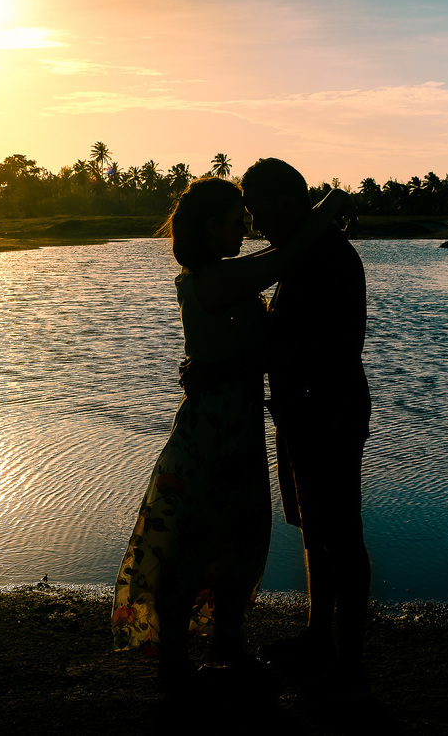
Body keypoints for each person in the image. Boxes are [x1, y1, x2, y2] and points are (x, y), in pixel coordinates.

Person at [111, 175, 347, 697]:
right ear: (210, 228)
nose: (245, 229)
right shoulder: (212, 279)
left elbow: (270, 264)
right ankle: (176, 659)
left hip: (238, 429)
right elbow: (282, 260)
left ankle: (227, 645)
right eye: (235, 221)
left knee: (243, 539)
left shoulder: (223, 273)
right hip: (211, 434)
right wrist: (330, 205)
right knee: (194, 543)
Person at [241, 159, 372, 689]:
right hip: (304, 409)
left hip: (329, 410)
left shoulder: (325, 257)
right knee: (317, 528)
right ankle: (321, 638)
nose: (255, 224)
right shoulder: (303, 252)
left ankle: (348, 655)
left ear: (287, 203)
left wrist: (253, 360)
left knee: (341, 532)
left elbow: (331, 345)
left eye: (259, 211)